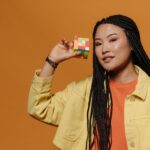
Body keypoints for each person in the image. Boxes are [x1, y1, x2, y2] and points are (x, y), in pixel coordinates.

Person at [27, 14, 150, 150]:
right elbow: (38, 106)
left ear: (132, 43)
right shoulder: (86, 90)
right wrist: (52, 60)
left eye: (113, 40)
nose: (104, 49)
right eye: (98, 43)